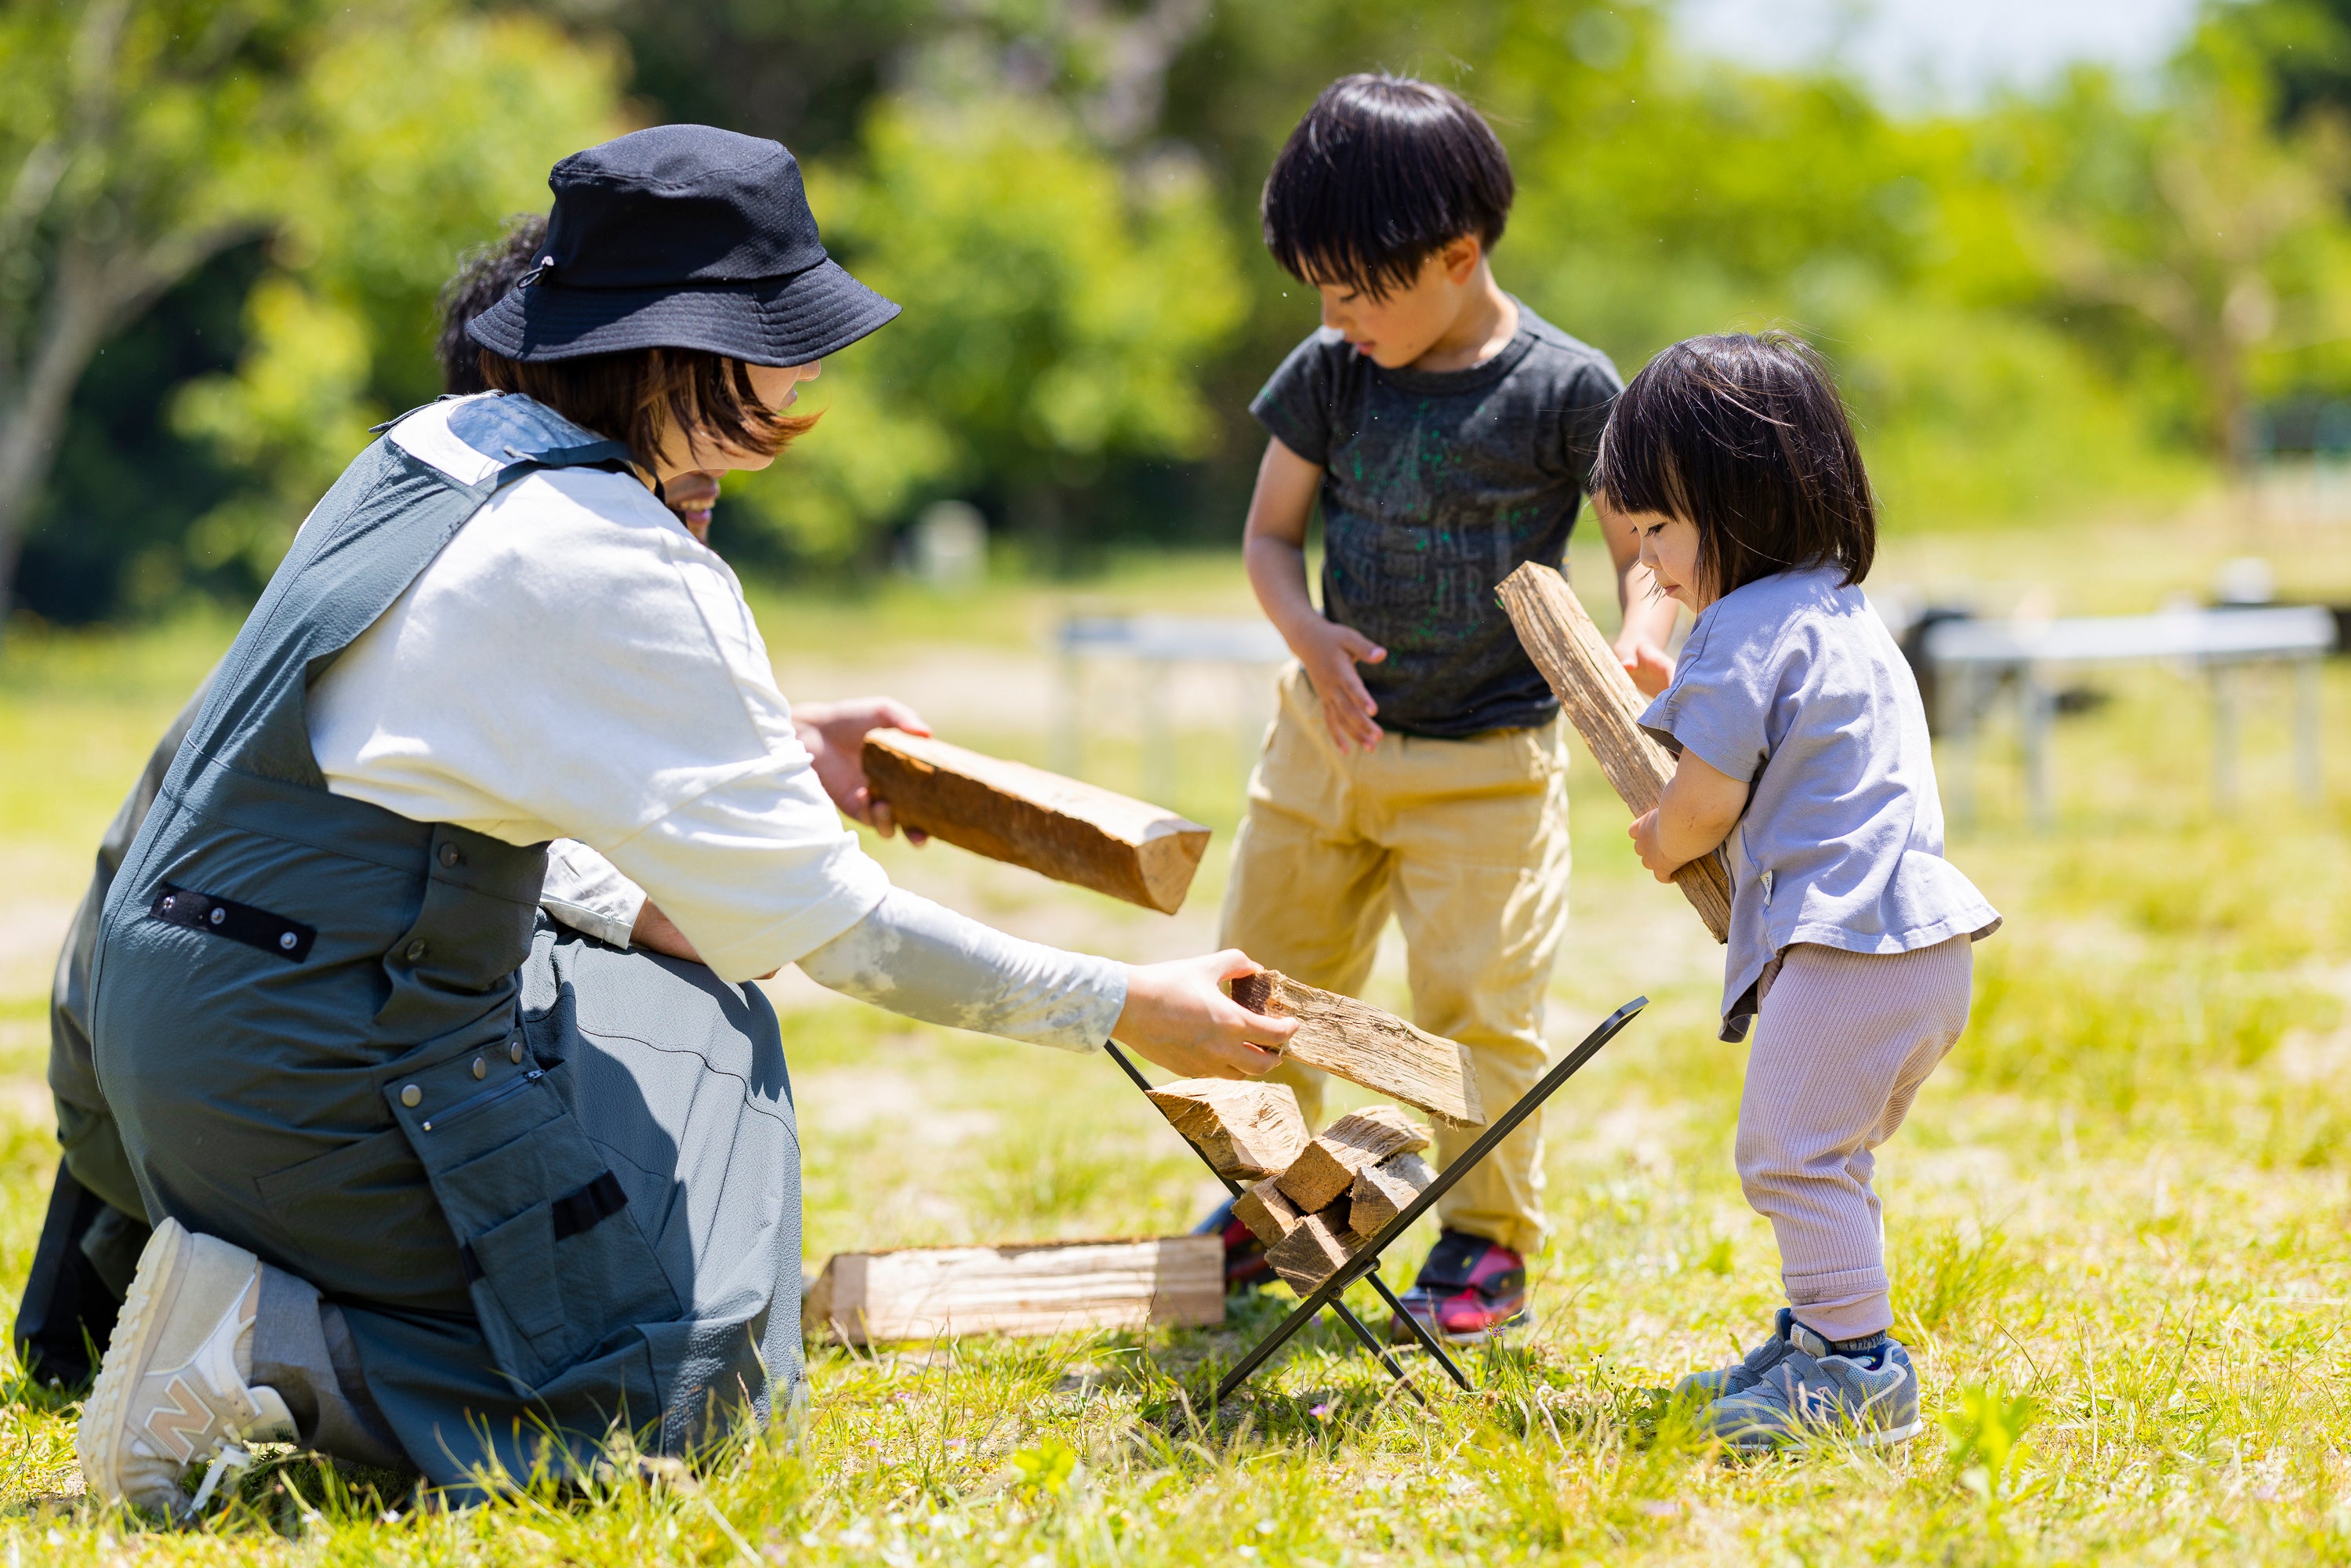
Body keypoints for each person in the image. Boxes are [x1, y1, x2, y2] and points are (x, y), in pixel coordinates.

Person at [72, 124, 1294, 1517]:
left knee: (641, 994)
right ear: (671, 353)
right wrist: (1135, 1004)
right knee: (688, 1397)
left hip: (163, 1044)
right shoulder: (626, 560)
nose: (814, 369)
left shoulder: (437, 447)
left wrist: (769, 748)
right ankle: (279, 1351)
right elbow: (834, 932)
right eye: (784, 333)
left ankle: (250, 1287)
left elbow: (464, 717)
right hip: (312, 1071)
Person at [16, 207, 778, 1388]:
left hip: (130, 1113)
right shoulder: (535, 546)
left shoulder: (358, 569)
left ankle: (197, 1288)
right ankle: (300, 1354)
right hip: (272, 1112)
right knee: (691, 1070)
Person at [1208, 74, 1675, 1344]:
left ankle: (1483, 1239)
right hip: (1324, 748)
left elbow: (1643, 544)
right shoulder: (1331, 375)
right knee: (1258, 980)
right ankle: (1276, 1196)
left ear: (1458, 256)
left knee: (1480, 1008)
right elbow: (1268, 536)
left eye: (1358, 289)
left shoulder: (1568, 390)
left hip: (1487, 763)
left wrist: (1639, 632)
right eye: (1319, 289)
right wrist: (1305, 632)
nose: (1335, 313)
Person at [1609, 333, 2000, 1447]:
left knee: (1788, 1152)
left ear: (1739, 504)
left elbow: (1704, 802)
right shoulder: (1836, 608)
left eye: (1662, 530)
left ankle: (1854, 1373)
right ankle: (1821, 1337)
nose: (1653, 564)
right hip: (1921, 945)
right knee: (1831, 1157)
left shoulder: (1740, 625)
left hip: (1849, 950)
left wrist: (1658, 834)